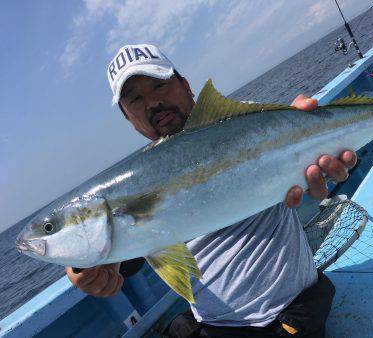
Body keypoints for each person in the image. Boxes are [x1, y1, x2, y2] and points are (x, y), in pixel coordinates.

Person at [66, 44, 357, 337]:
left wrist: (301, 122)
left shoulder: (244, 125)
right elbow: (123, 250)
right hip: (214, 328)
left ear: (185, 85)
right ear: (128, 119)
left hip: (289, 317)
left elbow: (292, 145)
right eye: (136, 99)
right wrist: (86, 267)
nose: (153, 103)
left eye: (159, 85)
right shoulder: (137, 183)